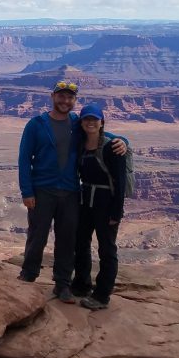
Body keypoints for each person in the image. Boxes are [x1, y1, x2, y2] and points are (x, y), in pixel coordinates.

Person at [16, 81, 125, 302]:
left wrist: (123, 141)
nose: (65, 101)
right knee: (37, 235)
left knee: (67, 239)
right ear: (52, 97)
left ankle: (62, 283)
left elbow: (104, 134)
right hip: (42, 189)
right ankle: (29, 274)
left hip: (70, 192)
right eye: (61, 96)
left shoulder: (77, 123)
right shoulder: (36, 124)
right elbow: (24, 159)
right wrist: (27, 191)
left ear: (74, 101)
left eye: (70, 98)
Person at [72, 103, 127, 310]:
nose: (90, 122)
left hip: (106, 203)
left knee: (107, 249)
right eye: (86, 119)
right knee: (81, 243)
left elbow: (120, 183)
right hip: (86, 201)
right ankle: (81, 284)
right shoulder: (80, 144)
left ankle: (102, 295)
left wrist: (117, 212)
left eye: (94, 119)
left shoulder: (113, 148)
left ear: (101, 122)